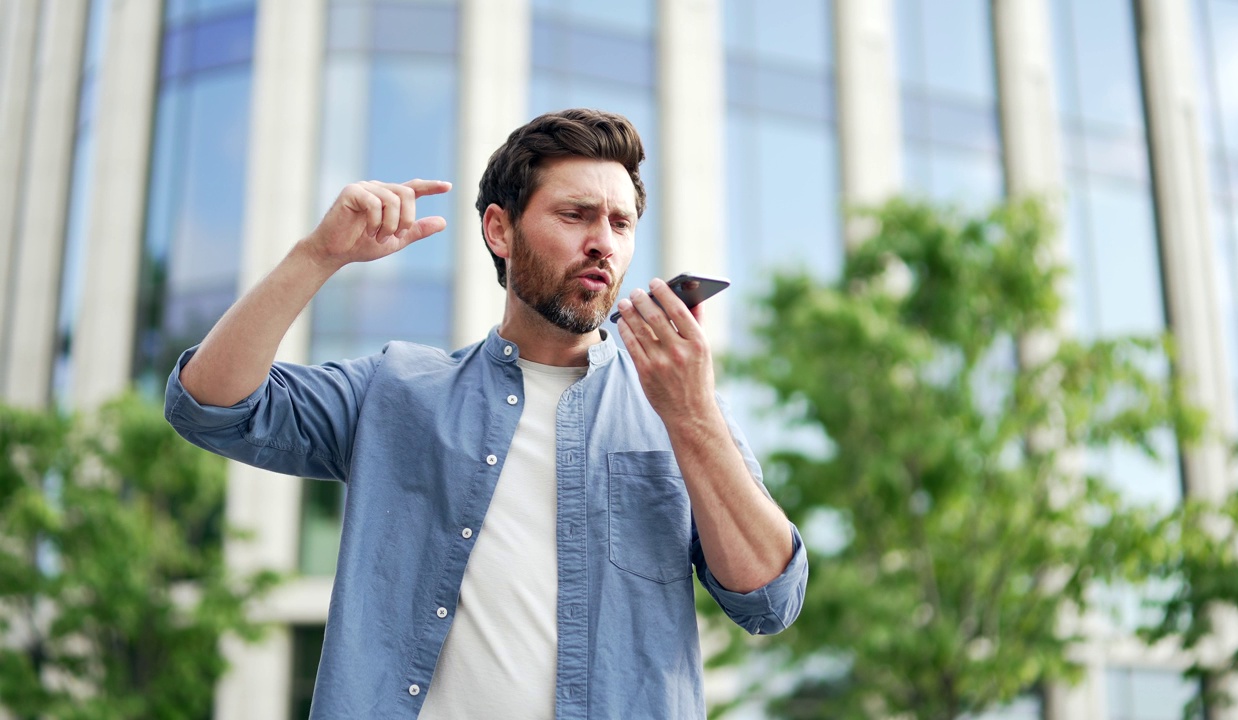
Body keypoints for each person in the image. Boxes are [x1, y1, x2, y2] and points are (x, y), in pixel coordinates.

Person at [165, 108, 807, 719]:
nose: (602, 243)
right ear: (500, 229)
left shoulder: (679, 408)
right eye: (576, 215)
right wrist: (317, 256)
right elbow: (210, 406)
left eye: (620, 223)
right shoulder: (397, 391)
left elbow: (770, 600)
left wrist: (691, 416)